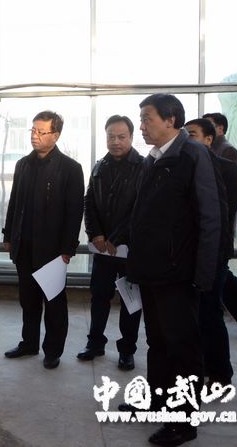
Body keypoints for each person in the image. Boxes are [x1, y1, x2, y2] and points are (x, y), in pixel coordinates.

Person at [126, 94, 220, 446]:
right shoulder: (153, 158)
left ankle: (183, 422)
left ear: (171, 120)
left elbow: (210, 216)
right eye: (141, 119)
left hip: (179, 273)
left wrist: (203, 275)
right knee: (157, 342)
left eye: (147, 119)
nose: (142, 126)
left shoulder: (192, 155)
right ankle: (157, 401)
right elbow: (142, 214)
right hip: (152, 269)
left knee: (183, 347)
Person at [2, 111, 84, 370]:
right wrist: (8, 235)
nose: (35, 136)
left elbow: (74, 212)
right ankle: (29, 343)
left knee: (54, 302)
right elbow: (14, 203)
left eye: (41, 132)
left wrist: (67, 248)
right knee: (28, 300)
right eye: (33, 131)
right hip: (24, 246)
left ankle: (53, 350)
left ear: (55, 135)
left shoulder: (70, 169)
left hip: (53, 250)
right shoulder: (23, 165)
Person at [78, 115, 143, 371]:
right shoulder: (99, 167)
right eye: (111, 136)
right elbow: (89, 202)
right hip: (103, 249)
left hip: (130, 249)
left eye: (121, 137)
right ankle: (95, 343)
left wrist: (117, 237)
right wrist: (95, 234)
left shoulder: (143, 167)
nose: (115, 141)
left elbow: (142, 209)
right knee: (99, 297)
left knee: (131, 301)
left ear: (131, 137)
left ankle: (127, 350)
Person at [185, 118, 237, 386]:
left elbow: (221, 214)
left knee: (210, 312)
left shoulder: (227, 168)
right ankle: (201, 366)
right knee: (194, 315)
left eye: (192, 135)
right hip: (188, 253)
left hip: (214, 252)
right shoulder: (187, 166)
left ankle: (221, 374)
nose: (187, 139)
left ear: (209, 139)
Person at [203, 113, 237, 340]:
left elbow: (226, 194)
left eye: (209, 125)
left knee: (220, 276)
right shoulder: (210, 150)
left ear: (220, 129)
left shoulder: (227, 152)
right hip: (211, 227)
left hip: (220, 227)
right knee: (221, 276)